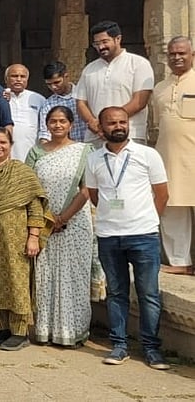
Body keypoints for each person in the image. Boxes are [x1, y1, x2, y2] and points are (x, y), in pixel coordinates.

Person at [85, 107, 169, 369]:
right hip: (110, 236)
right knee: (117, 292)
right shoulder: (94, 159)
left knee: (149, 294)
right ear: (101, 127)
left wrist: (145, 220)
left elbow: (162, 194)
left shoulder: (147, 155)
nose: (118, 126)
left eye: (122, 121)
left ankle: (151, 348)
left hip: (143, 235)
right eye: (112, 123)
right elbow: (95, 195)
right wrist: (114, 218)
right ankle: (119, 345)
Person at [0, 128, 50, 351]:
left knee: (16, 282)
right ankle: (1, 329)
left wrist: (33, 237)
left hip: (15, 239)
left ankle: (20, 332)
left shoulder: (22, 173)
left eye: (3, 142)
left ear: (10, 144)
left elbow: (36, 207)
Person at [25, 106, 95, 346]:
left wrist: (63, 217)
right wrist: (47, 219)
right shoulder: (36, 152)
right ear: (46, 124)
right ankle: (46, 331)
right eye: (53, 121)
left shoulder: (84, 151)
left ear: (70, 124)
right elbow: (29, 189)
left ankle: (72, 332)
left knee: (74, 276)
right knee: (45, 278)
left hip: (75, 223)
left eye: (62, 121)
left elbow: (87, 189)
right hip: (44, 224)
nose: (57, 125)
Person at [153, 36, 195, 275]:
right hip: (169, 156)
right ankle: (180, 261)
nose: (177, 57)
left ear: (192, 55)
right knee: (172, 207)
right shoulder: (160, 88)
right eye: (172, 54)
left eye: (182, 53)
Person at [76, 20, 154, 145]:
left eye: (104, 42)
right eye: (96, 44)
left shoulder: (138, 63)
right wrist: (94, 123)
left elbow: (140, 101)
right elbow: (80, 102)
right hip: (96, 136)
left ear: (118, 39)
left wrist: (109, 123)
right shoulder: (89, 69)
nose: (101, 47)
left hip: (129, 135)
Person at [4, 64, 46, 161]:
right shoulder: (1, 98)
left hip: (33, 153)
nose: (18, 79)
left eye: (22, 76)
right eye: (14, 76)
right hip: (7, 154)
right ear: (6, 79)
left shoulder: (38, 99)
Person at [37, 61, 86, 143]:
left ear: (66, 76)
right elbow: (45, 133)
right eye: (49, 84)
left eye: (57, 82)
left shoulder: (84, 95)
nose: (53, 87)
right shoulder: (48, 104)